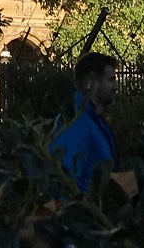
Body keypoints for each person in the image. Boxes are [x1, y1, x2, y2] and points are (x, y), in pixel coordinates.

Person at [50, 52, 119, 193]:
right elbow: (65, 183)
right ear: (91, 82)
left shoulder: (96, 122)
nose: (116, 86)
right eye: (111, 80)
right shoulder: (75, 123)